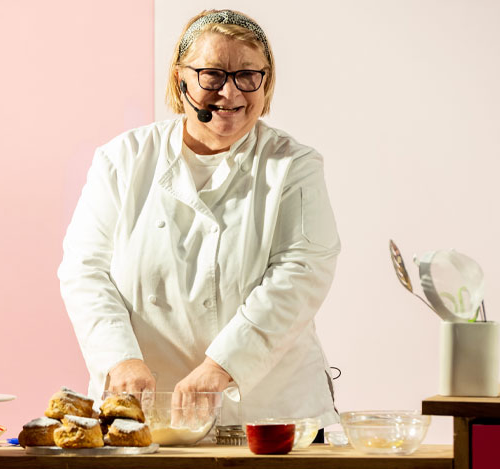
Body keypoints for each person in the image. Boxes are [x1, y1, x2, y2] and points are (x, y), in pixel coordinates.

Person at [58, 9, 341, 428]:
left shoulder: (293, 164)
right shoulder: (123, 160)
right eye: (212, 75)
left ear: (267, 80)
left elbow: (300, 275)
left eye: (248, 76)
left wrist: (222, 366)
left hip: (273, 416)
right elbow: (85, 271)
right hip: (152, 415)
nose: (230, 94)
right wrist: (120, 358)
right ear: (180, 79)